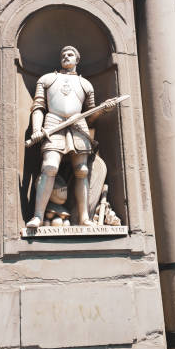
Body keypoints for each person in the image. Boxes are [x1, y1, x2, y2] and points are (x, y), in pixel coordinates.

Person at [26, 45, 114, 227]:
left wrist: (103, 110)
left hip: (78, 126)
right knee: (49, 166)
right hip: (53, 123)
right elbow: (39, 106)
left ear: (77, 59)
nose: (66, 57)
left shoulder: (85, 84)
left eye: (70, 54)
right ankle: (38, 216)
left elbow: (90, 117)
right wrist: (36, 128)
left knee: (82, 170)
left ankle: (84, 218)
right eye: (63, 55)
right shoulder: (48, 79)